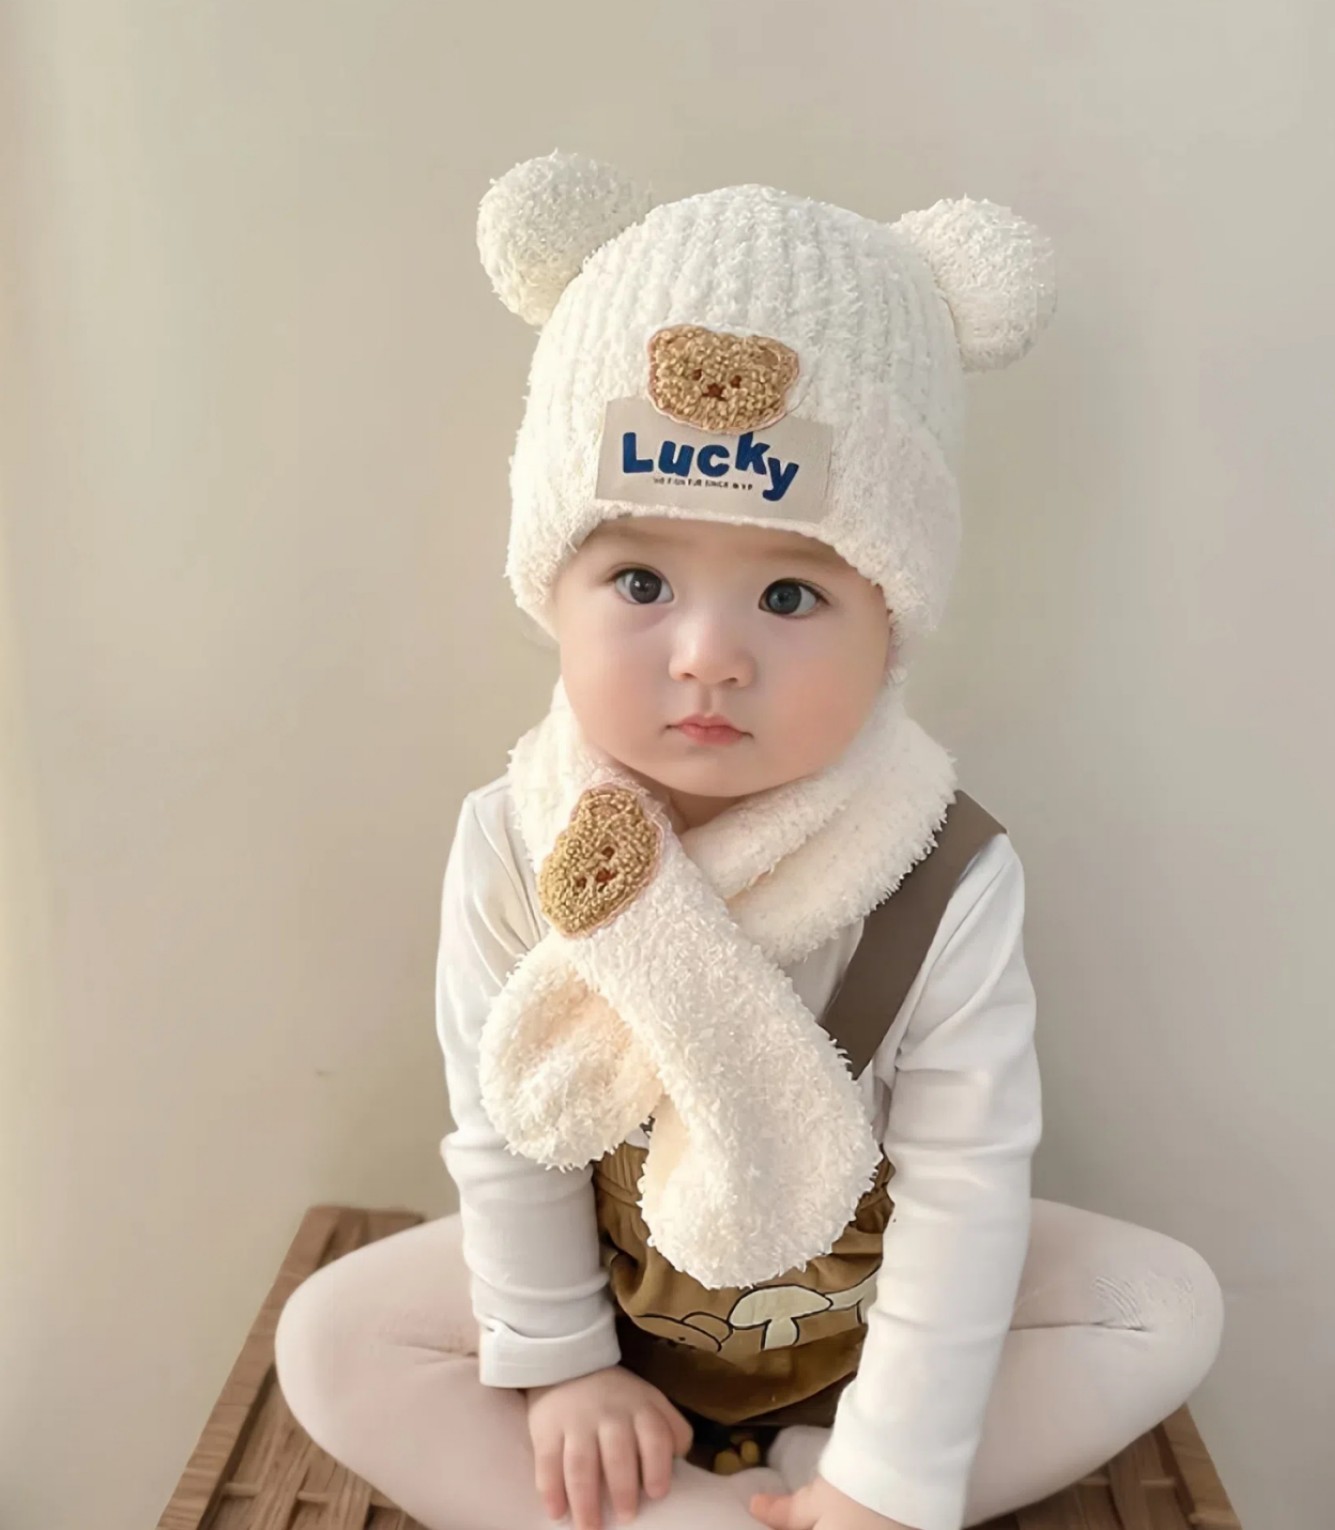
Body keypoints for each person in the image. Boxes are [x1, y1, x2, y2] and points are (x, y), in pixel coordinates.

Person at [274, 150, 1225, 1530]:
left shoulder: (945, 871)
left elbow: (964, 1188)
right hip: (620, 1308)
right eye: (640, 580)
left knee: (1156, 1306)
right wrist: (564, 1370)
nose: (708, 656)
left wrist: (888, 1475)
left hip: (859, 1322)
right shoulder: (517, 838)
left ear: (889, 622)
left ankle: (819, 1494)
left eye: (789, 594)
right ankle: (684, 1504)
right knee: (334, 1338)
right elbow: (505, 1131)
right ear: (551, 593)